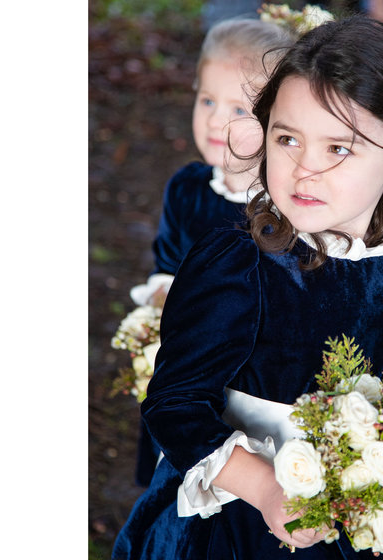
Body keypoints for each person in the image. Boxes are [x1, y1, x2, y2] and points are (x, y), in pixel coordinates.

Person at [113, 15, 383, 559]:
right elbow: (173, 404)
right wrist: (265, 487)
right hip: (240, 520)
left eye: (339, 149)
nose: (305, 168)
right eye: (288, 139)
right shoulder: (239, 265)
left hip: (350, 502)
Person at [129, 17, 293, 487]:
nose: (216, 120)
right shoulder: (188, 189)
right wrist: (162, 299)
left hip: (249, 373)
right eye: (206, 100)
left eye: (240, 110)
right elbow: (167, 260)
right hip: (186, 363)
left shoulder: (283, 206)